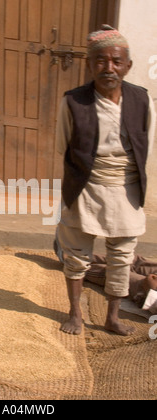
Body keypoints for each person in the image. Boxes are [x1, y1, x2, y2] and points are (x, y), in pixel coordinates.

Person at [55, 25, 156, 336]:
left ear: (127, 66)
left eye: (115, 61)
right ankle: (75, 315)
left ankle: (112, 318)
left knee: (122, 257)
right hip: (86, 187)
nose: (108, 68)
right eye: (100, 61)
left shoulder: (141, 100)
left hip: (126, 190)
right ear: (89, 65)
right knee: (76, 255)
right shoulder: (73, 102)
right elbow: (64, 146)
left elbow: (144, 145)